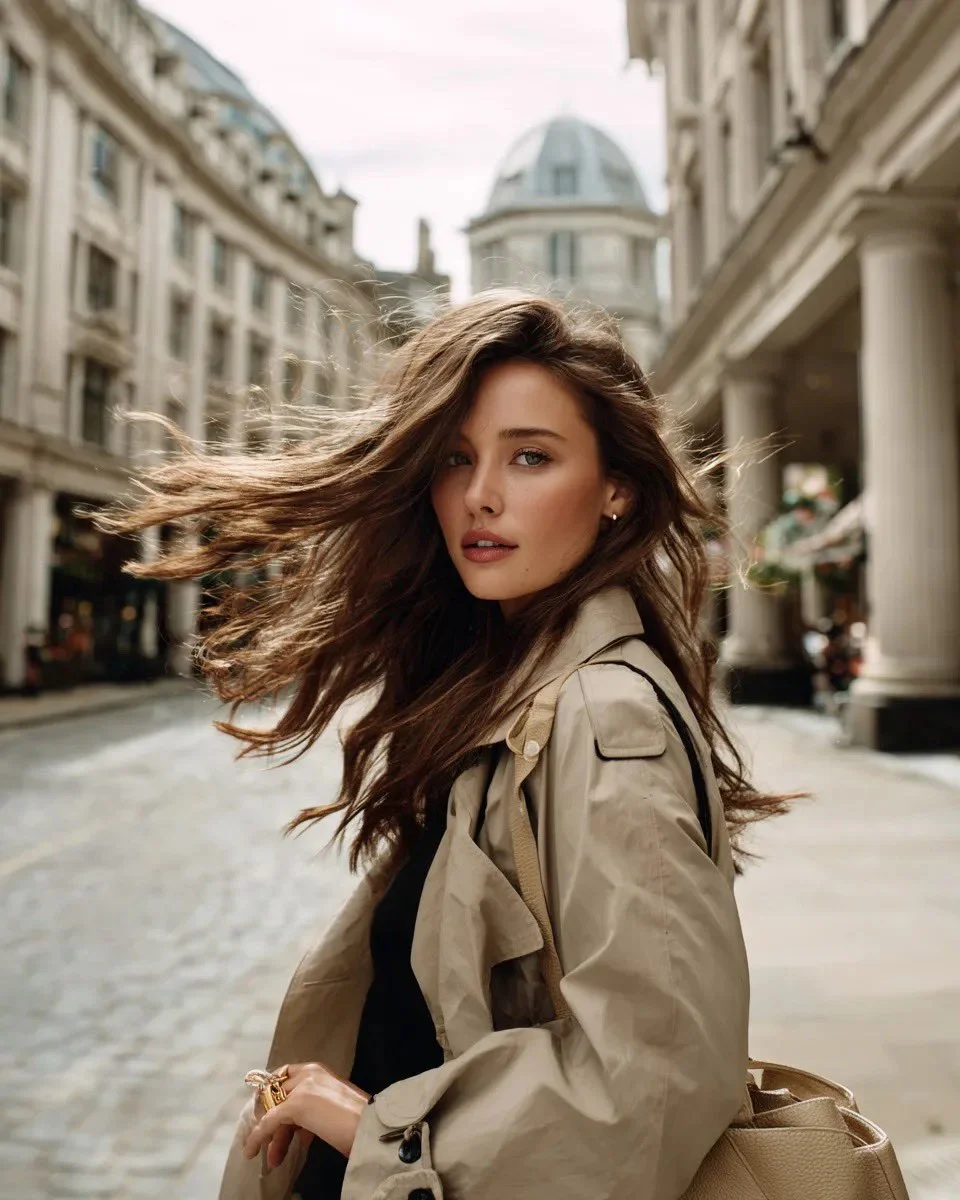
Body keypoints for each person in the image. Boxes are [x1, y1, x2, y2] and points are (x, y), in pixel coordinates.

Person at [102, 292, 787, 1200]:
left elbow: (651, 1079)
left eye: (531, 457)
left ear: (617, 485)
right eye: (455, 459)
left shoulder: (601, 712)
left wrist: (371, 1128)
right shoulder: (507, 684)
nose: (481, 495)